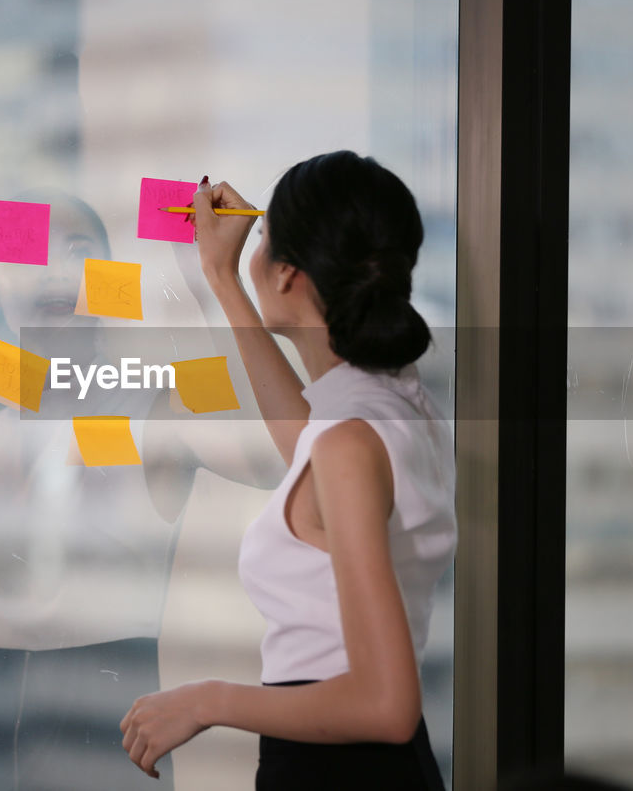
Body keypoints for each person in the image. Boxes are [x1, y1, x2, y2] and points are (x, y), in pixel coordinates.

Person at [0, 190, 280, 791]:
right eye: (26, 252)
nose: (54, 268)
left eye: (78, 249)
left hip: (109, 740)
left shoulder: (156, 411)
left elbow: (267, 454)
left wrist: (216, 282)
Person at [119, 151, 458, 789]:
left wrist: (205, 701)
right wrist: (224, 278)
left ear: (290, 276)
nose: (255, 247)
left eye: (264, 238)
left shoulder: (351, 441)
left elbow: (386, 706)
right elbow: (305, 443)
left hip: (340, 769)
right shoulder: (388, 403)